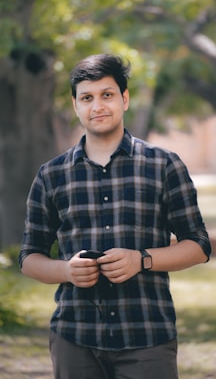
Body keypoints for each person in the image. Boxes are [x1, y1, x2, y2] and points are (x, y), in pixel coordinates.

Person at [19, 53, 211, 379]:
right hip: (74, 336)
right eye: (87, 98)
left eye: (107, 95)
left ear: (124, 98)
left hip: (147, 336)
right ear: (75, 104)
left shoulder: (164, 166)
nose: (98, 106)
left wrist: (141, 259)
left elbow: (199, 245)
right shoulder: (51, 175)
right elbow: (28, 257)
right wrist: (66, 270)